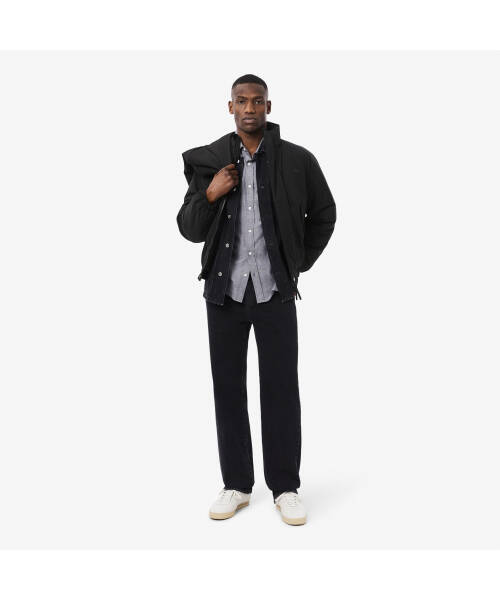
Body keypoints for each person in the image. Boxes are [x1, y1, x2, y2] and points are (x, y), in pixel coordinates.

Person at [177, 74, 336, 526]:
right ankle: (237, 485)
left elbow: (325, 213)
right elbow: (188, 228)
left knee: (281, 390)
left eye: (257, 101)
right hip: (224, 294)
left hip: (275, 293)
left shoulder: (297, 160)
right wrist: (211, 194)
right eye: (241, 101)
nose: (250, 108)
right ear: (230, 107)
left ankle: (285, 487)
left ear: (268, 105)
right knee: (228, 390)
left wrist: (296, 262)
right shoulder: (211, 161)